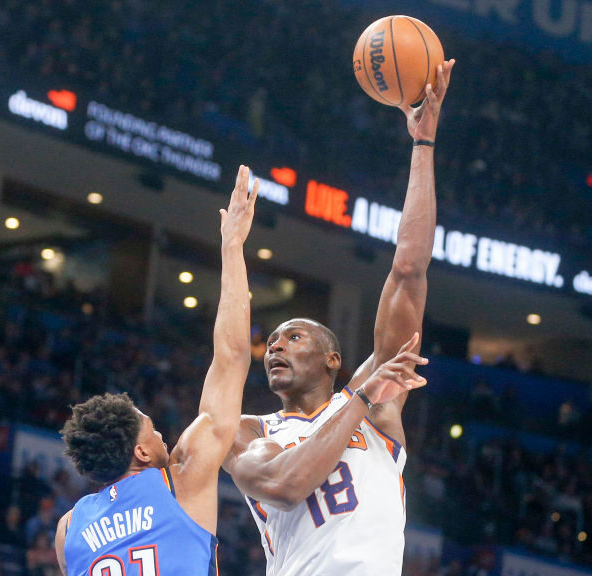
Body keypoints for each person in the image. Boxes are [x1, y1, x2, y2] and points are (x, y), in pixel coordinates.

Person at [222, 60, 455, 575]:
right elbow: (284, 488)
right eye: (274, 341)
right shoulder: (248, 431)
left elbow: (409, 268)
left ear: (332, 358)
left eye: (293, 336)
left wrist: (423, 146)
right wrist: (362, 396)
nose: (276, 346)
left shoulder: (377, 411)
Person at [53, 165, 260, 575]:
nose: (162, 433)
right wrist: (232, 246)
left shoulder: (68, 528)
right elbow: (233, 356)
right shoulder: (181, 481)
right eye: (152, 429)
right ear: (141, 452)